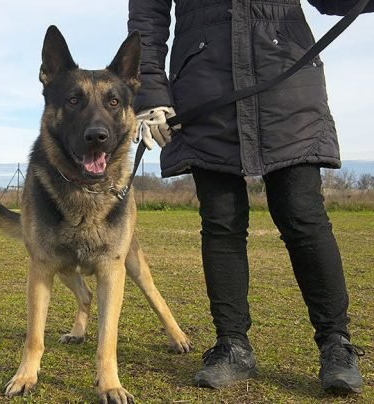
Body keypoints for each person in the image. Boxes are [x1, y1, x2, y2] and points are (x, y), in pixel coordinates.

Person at [129, 0, 365, 395]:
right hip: (204, 79)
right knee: (221, 221)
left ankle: (336, 345)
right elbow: (147, 16)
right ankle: (232, 344)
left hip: (285, 75)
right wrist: (149, 90)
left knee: (302, 214)